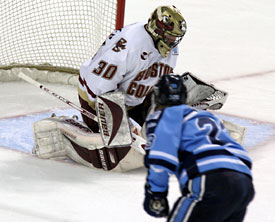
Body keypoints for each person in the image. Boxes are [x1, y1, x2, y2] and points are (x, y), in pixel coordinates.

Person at [143, 74, 255, 221]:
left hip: (210, 180)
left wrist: (156, 194)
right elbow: (240, 152)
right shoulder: (208, 117)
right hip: (243, 182)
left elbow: (161, 158)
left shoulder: (162, 117)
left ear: (158, 96)